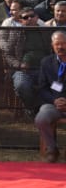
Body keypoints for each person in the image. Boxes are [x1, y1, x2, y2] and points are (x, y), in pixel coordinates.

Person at [33, 31, 66, 162]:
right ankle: (52, 149)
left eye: (63, 43)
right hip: (54, 104)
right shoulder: (46, 62)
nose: (60, 47)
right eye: (57, 44)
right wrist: (54, 100)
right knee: (41, 118)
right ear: (52, 45)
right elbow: (42, 88)